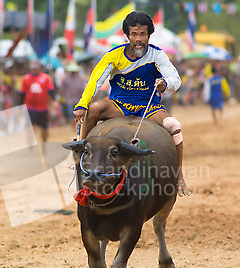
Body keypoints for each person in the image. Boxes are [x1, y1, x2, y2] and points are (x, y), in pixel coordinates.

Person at [73, 11, 190, 196]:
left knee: (174, 126)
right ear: (127, 35)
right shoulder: (113, 55)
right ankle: (80, 155)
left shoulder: (157, 55)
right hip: (119, 105)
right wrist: (82, 104)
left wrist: (164, 84)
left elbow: (175, 79)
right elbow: (95, 81)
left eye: (142, 34)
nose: (138, 39)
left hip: (149, 107)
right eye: (134, 34)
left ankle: (178, 175)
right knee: (93, 109)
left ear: (149, 35)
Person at [19, 60, 55, 149]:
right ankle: (31, 147)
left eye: (36, 68)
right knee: (30, 129)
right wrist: (20, 107)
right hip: (30, 108)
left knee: (44, 129)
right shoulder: (26, 78)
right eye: (33, 68)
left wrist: (53, 103)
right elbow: (22, 94)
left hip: (43, 108)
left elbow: (51, 92)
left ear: (39, 68)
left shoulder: (46, 78)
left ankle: (44, 145)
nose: (34, 70)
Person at [59, 62, 86, 126]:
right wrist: (61, 97)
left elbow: (83, 89)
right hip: (69, 100)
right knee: (71, 115)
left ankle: (77, 127)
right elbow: (62, 89)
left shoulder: (80, 79)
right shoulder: (65, 79)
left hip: (78, 99)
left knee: (79, 114)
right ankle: (73, 127)